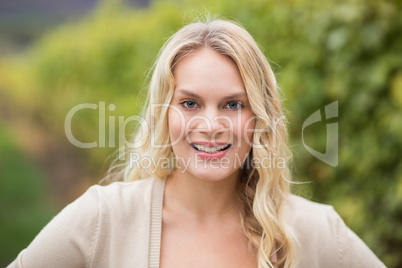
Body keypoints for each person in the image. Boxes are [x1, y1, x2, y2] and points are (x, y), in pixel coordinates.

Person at [8, 18, 385, 268]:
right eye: (189, 103)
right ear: (163, 114)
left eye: (233, 104)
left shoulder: (317, 231)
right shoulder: (102, 219)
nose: (211, 125)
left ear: (260, 118)